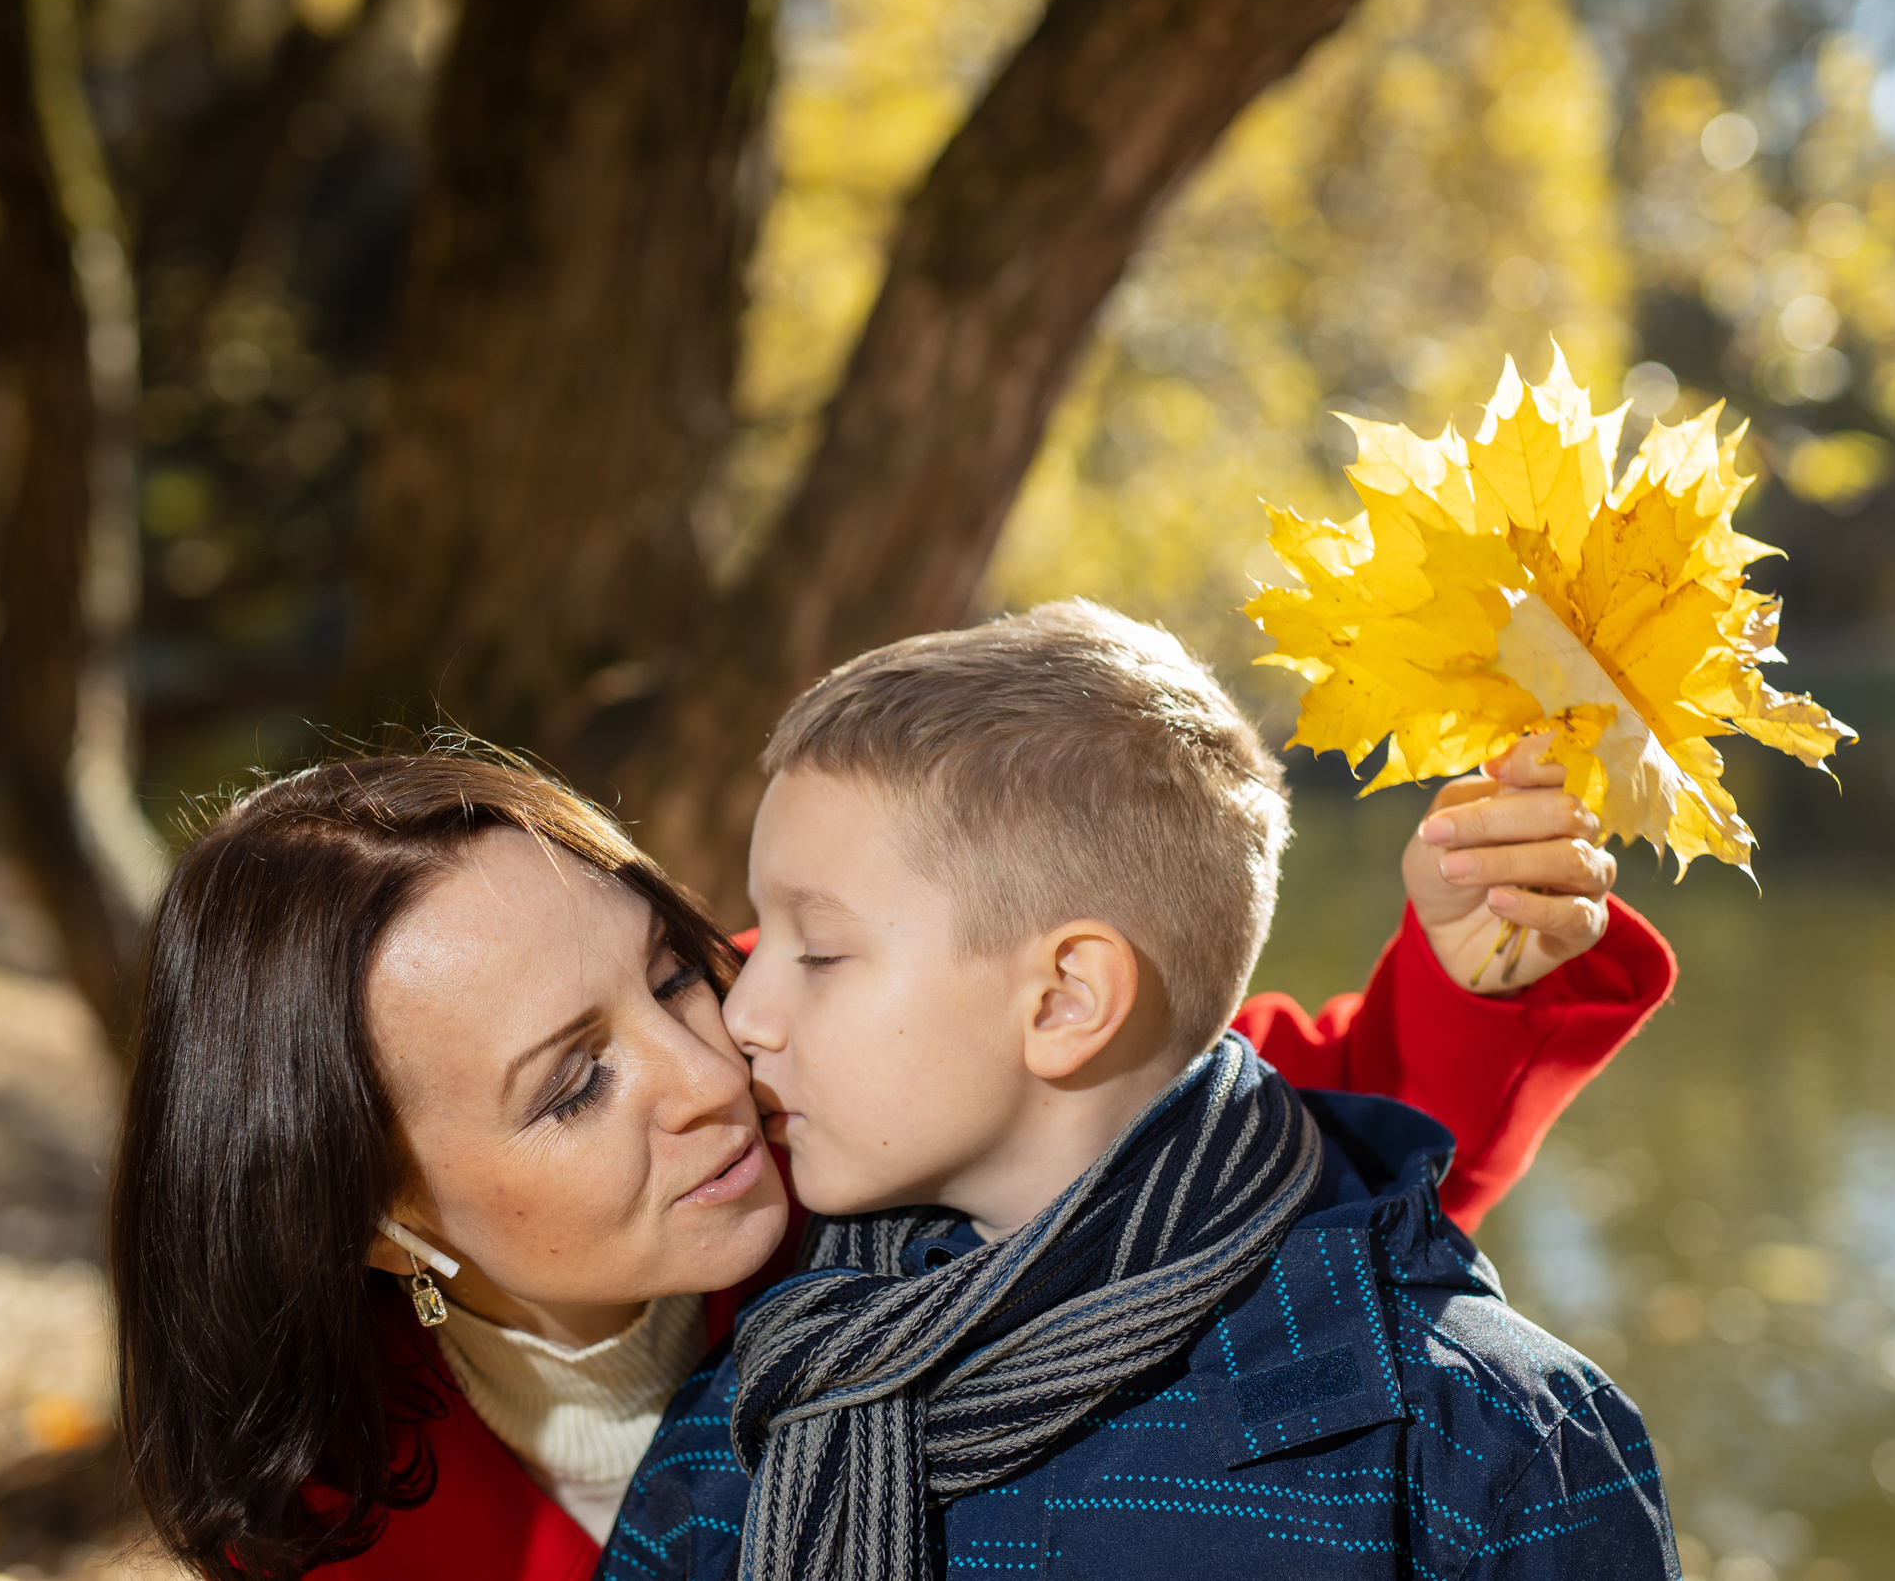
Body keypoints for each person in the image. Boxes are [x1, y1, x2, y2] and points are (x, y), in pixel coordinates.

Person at [110, 623, 1671, 1580]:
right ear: (375, 1213)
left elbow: (1211, 1138)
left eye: (670, 970)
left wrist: (1480, 956)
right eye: (574, 1084)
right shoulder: (325, 1502)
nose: (714, 1068)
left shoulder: (844, 1073)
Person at [613, 602, 1679, 1580]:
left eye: (818, 951)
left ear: (1065, 1000)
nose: (740, 1015)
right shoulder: (754, 1406)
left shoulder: (1487, 1447)